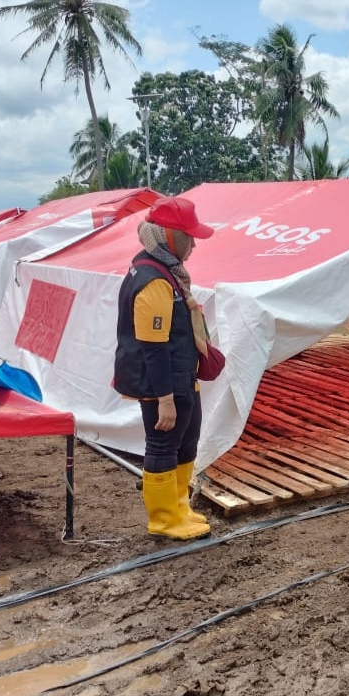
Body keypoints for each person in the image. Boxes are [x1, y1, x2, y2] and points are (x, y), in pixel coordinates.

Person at [113, 197, 216, 540]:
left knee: (186, 442)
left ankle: (179, 508)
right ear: (171, 238)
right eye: (189, 237)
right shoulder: (152, 279)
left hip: (182, 375)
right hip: (163, 382)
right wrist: (165, 400)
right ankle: (163, 519)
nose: (195, 245)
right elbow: (153, 348)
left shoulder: (167, 273)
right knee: (162, 446)